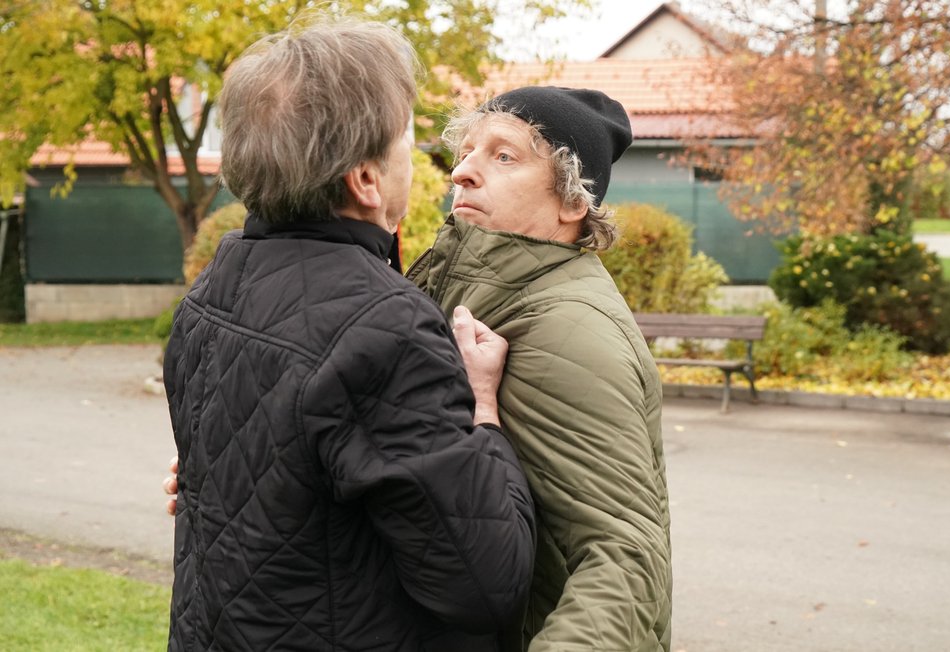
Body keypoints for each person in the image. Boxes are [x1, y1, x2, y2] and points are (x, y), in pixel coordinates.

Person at [162, 15, 535, 651]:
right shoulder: (385, 328)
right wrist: (484, 412)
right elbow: (484, 580)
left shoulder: (215, 285)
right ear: (365, 180)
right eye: (409, 145)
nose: (431, 168)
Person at [405, 86, 673, 651]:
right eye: (467, 151)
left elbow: (624, 558)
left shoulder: (567, 328)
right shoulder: (465, 291)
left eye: (504, 156)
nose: (463, 173)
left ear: (574, 203)